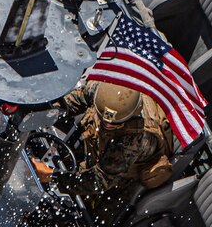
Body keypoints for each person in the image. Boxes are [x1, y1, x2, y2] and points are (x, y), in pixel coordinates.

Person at [31, 82, 173, 206]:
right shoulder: (103, 91)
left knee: (97, 212)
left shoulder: (135, 139)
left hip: (122, 169)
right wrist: (48, 113)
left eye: (112, 124)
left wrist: (52, 176)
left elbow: (99, 181)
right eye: (103, 120)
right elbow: (76, 99)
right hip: (96, 139)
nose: (107, 125)